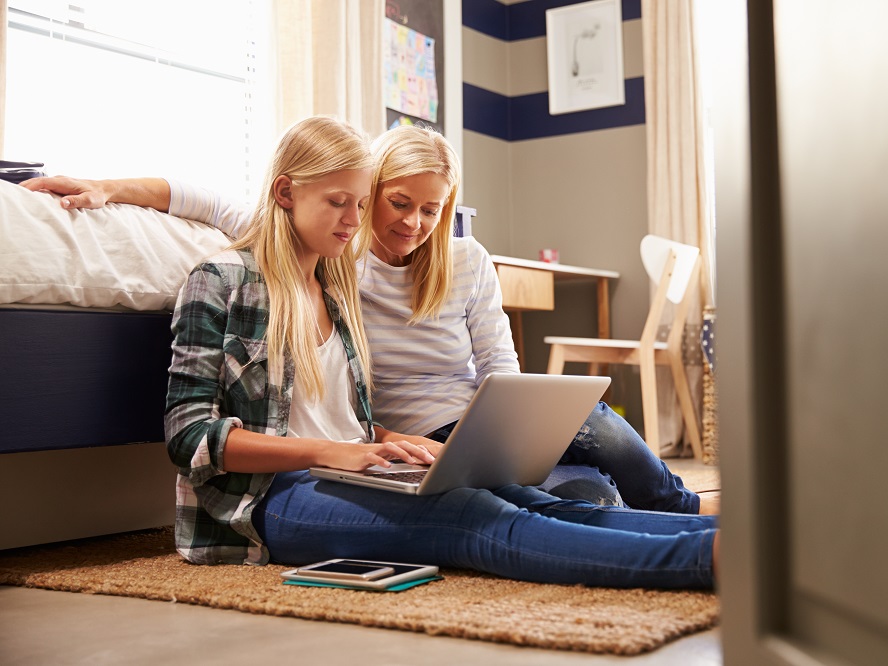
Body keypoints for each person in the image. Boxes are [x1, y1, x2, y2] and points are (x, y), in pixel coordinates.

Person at [30, 115, 719, 586]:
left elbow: (338, 419)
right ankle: (708, 562)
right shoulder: (226, 280)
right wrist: (110, 188)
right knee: (476, 519)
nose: (356, 223)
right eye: (343, 204)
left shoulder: (332, 283)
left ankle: (722, 540)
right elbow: (189, 438)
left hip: (353, 469)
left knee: (523, 498)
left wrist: (385, 440)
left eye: (360, 205)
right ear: (284, 195)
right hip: (265, 504)